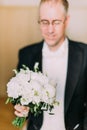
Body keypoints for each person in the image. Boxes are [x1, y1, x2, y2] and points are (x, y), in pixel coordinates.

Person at [14, 0, 87, 130]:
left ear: (66, 21)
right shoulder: (26, 54)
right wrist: (21, 109)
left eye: (56, 22)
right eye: (44, 22)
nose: (50, 30)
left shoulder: (85, 54)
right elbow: (19, 98)